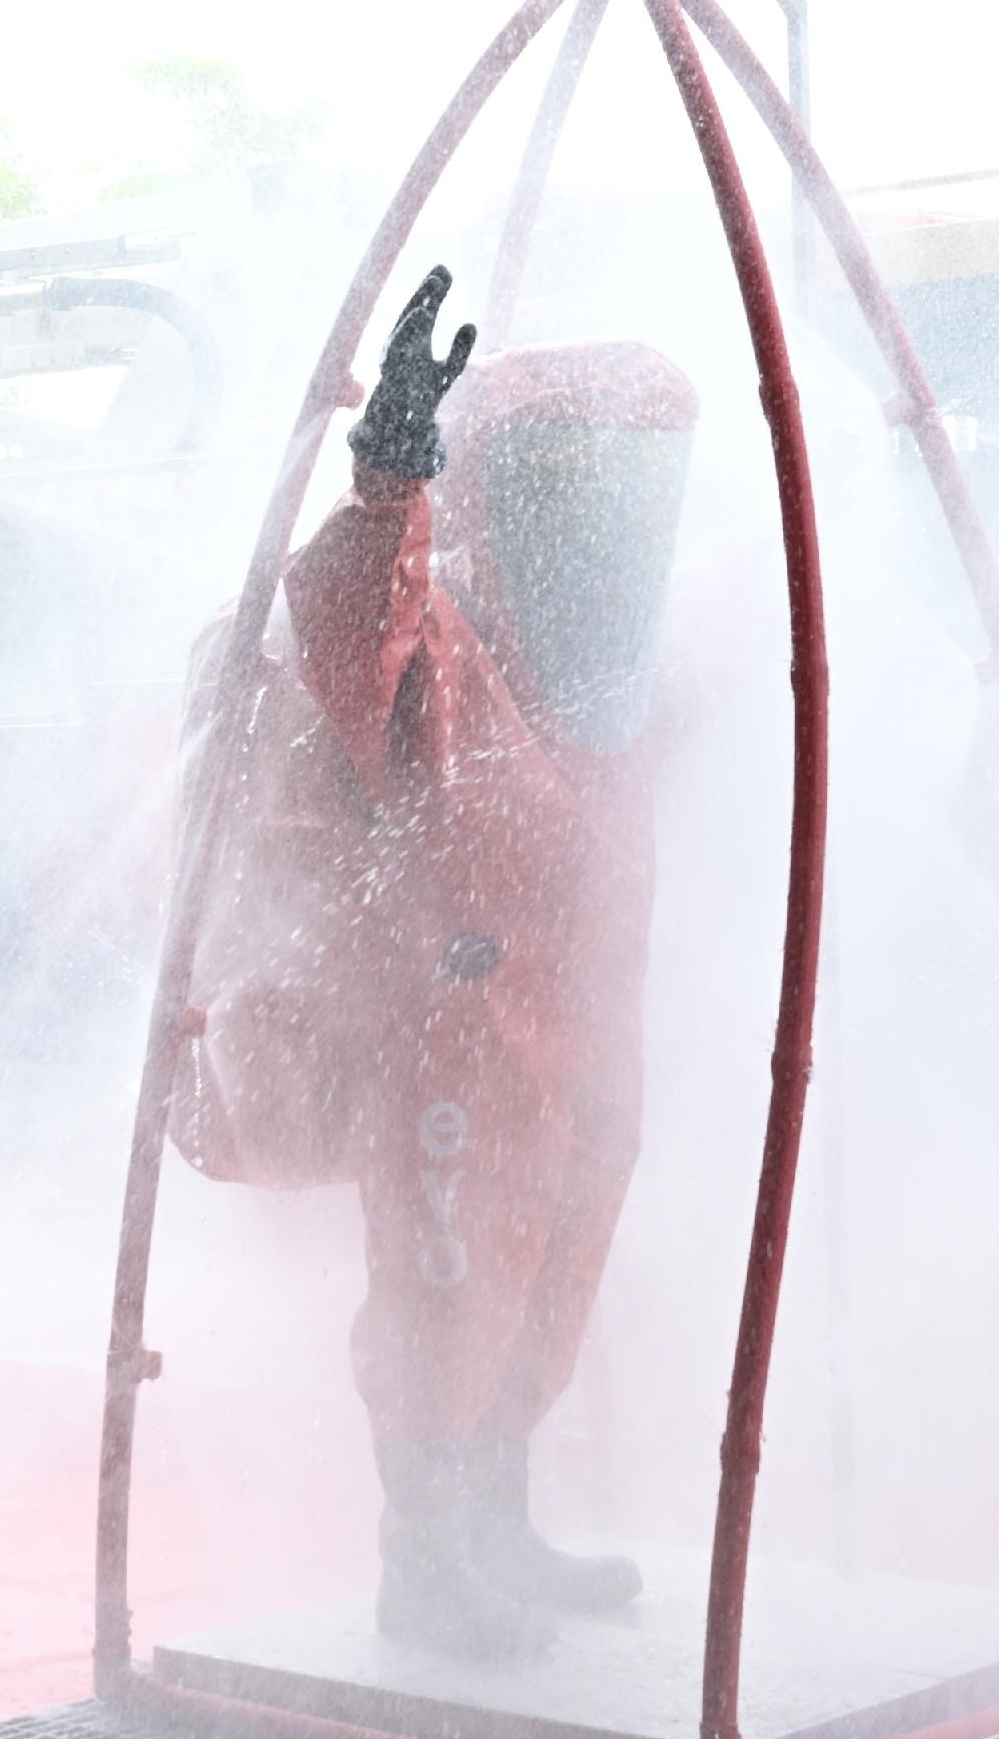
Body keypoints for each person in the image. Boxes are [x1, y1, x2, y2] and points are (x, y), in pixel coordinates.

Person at [174, 267, 694, 1656]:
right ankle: (427, 1558)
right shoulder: (439, 628)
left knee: (553, 1270)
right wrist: (390, 467)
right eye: (568, 483)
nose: (604, 519)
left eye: (630, 482)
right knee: (451, 1287)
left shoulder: (615, 668)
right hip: (454, 1028)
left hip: (584, 1022)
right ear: (500, 492)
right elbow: (352, 618)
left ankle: (498, 1529)